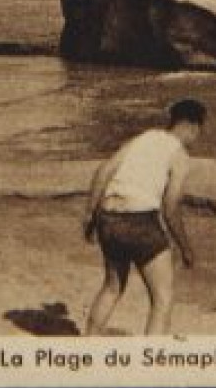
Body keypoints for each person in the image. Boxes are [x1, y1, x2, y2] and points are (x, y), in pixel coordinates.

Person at [83, 99, 204, 336]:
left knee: (112, 288)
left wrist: (90, 215)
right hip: (140, 221)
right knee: (162, 298)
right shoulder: (180, 155)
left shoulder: (143, 138)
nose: (196, 138)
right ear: (193, 126)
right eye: (198, 132)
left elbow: (104, 170)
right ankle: (148, 361)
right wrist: (186, 248)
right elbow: (170, 208)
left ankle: (88, 343)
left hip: (109, 216)